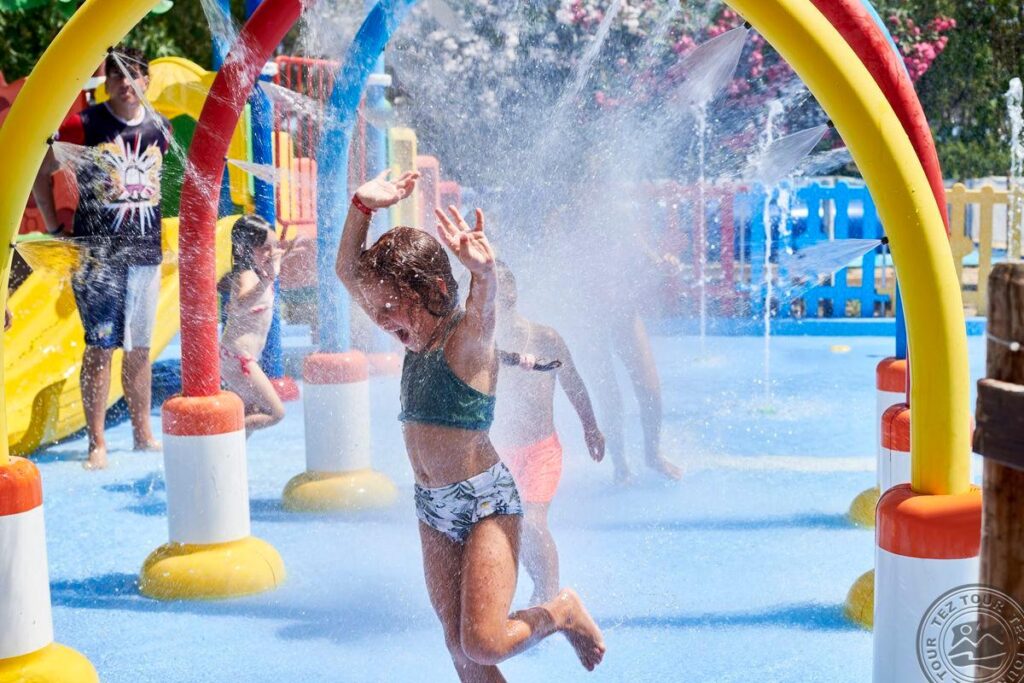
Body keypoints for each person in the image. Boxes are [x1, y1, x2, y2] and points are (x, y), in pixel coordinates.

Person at [336, 170, 605, 680]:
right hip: (432, 507)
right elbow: (349, 271)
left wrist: (483, 274)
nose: (379, 319)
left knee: (483, 642)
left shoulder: (465, 339)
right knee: (459, 648)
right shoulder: (413, 337)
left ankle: (562, 610)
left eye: (389, 307)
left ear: (434, 290)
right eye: (375, 309)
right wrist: (361, 208)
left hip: (486, 503)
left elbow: (483, 311)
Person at [32, 46, 169, 469]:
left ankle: (143, 433)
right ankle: (97, 443)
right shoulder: (84, 125)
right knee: (100, 347)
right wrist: (54, 226)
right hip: (98, 257)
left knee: (140, 349)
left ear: (147, 81)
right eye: (117, 76)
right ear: (106, 82)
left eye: (134, 75)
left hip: (145, 254)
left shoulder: (160, 127)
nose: (126, 84)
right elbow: (40, 172)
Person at [491, 261, 605, 605]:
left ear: (513, 293)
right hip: (498, 453)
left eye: (501, 289)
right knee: (507, 527)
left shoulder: (545, 338)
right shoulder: (478, 345)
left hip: (541, 450)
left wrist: (590, 427)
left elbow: (573, 382)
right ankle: (536, 589)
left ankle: (550, 596)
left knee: (532, 522)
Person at [220, 215, 300, 435]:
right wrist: (268, 279)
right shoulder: (246, 275)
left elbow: (272, 263)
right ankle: (220, 437)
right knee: (276, 413)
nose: (271, 253)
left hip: (239, 357)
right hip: (238, 358)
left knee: (252, 410)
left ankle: (231, 452)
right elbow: (239, 306)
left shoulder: (258, 271)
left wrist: (284, 255)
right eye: (265, 248)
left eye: (274, 246)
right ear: (245, 249)